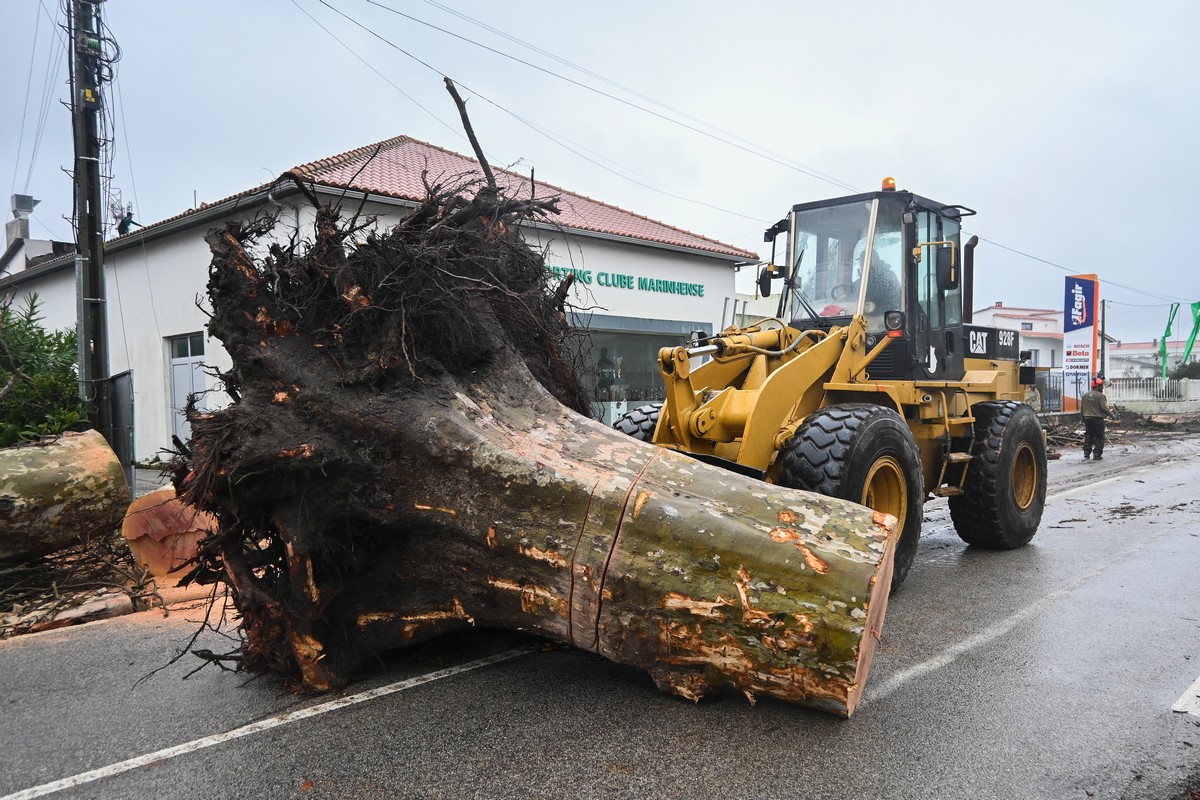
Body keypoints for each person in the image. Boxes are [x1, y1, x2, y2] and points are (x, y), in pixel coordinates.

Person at [1081, 378, 1115, 460]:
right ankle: (1097, 454)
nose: (1102, 388)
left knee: (1088, 435)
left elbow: (1082, 408)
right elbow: (1103, 408)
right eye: (1101, 386)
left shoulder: (1085, 395)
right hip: (1097, 419)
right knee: (1099, 436)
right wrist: (1112, 415)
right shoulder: (1101, 396)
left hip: (1087, 419)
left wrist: (1083, 418)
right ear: (1097, 387)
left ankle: (1086, 453)